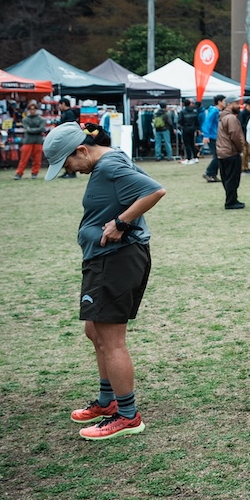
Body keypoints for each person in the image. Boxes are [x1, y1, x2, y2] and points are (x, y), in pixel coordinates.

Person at [42, 121, 167, 440]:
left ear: (82, 150)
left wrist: (121, 223)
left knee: (112, 340)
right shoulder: (112, 158)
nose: (70, 171)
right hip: (108, 259)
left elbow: (154, 190)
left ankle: (127, 416)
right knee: (95, 331)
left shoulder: (109, 165)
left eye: (68, 164)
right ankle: (107, 400)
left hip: (115, 259)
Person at [215, 99, 247, 210]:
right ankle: (231, 201)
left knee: (226, 178)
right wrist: (241, 148)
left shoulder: (222, 117)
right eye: (236, 103)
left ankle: (232, 199)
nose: (239, 106)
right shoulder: (231, 118)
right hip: (231, 151)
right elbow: (235, 135)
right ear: (229, 104)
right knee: (233, 178)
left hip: (222, 151)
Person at [14, 100, 47, 179]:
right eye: (31, 109)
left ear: (36, 110)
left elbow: (42, 129)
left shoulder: (41, 119)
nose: (32, 111)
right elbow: (28, 129)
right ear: (28, 110)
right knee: (24, 158)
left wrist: (31, 130)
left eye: (34, 109)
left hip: (38, 141)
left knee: (37, 159)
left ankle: (34, 173)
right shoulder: (25, 119)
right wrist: (37, 130)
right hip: (28, 141)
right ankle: (19, 173)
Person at [201, 95, 223, 180]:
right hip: (212, 136)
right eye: (224, 101)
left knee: (218, 156)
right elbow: (207, 122)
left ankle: (213, 174)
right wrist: (206, 135)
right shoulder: (214, 111)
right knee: (217, 156)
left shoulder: (217, 111)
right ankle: (209, 172)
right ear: (219, 102)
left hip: (215, 136)